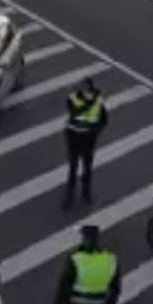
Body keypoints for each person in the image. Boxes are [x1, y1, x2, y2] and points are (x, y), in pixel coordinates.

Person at [62, 78, 108, 208]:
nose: (82, 88)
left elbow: (104, 119)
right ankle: (69, 195)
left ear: (90, 87)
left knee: (87, 168)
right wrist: (91, 102)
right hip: (74, 137)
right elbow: (75, 112)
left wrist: (95, 132)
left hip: (88, 139)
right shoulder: (73, 98)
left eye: (85, 87)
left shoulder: (98, 100)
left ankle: (86, 194)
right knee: (73, 167)